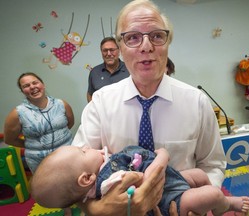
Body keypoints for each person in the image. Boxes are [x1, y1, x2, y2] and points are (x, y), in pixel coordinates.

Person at [72, 0, 228, 215]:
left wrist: (201, 205)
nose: (146, 46)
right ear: (121, 48)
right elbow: (75, 176)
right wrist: (98, 209)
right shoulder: (100, 103)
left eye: (156, 36)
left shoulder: (197, 102)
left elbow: (213, 164)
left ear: (167, 43)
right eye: (133, 37)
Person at [30, 145, 249, 216]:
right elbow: (146, 180)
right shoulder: (108, 181)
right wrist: (161, 156)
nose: (88, 147)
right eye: (83, 151)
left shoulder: (100, 169)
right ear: (87, 178)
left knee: (201, 175)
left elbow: (214, 163)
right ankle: (224, 205)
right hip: (169, 199)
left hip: (172, 179)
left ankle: (209, 206)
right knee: (211, 194)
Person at [4, 72, 75, 174]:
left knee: (75, 184)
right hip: (40, 162)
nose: (32, 87)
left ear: (43, 84)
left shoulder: (61, 104)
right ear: (23, 91)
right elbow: (9, 139)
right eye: (26, 86)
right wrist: (34, 145)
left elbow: (70, 123)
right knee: (50, 189)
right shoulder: (17, 114)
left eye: (35, 83)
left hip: (68, 155)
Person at [87, 37, 130, 102]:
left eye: (112, 50)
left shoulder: (130, 70)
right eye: (105, 50)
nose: (109, 54)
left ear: (119, 50)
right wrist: (94, 110)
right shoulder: (94, 72)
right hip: (102, 112)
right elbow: (90, 94)